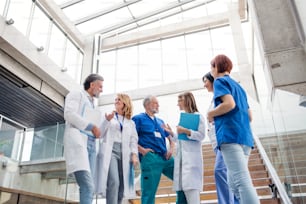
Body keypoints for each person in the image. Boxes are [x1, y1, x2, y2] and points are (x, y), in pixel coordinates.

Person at [207, 54, 259, 204]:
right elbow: (249, 116)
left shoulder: (219, 81)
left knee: (241, 181)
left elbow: (229, 104)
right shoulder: (239, 87)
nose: (211, 71)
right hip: (245, 138)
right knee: (233, 184)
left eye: (212, 67)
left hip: (230, 136)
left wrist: (211, 114)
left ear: (217, 67)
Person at [132, 95, 187, 204]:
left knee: (183, 180)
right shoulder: (138, 119)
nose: (158, 105)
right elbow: (130, 138)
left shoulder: (160, 121)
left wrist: (171, 149)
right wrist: (142, 150)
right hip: (150, 158)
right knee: (149, 192)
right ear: (147, 105)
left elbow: (171, 138)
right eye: (155, 103)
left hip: (166, 157)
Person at [63, 73, 104, 204]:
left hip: (91, 144)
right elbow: (69, 114)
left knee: (89, 187)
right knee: (88, 185)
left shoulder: (93, 104)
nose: (102, 90)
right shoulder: (76, 94)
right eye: (100, 86)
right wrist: (91, 126)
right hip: (78, 141)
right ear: (92, 85)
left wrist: (96, 132)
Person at [202, 72, 239, 204]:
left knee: (220, 171)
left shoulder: (222, 97)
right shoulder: (214, 99)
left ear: (213, 81)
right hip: (217, 144)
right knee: (230, 176)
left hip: (225, 141)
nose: (204, 85)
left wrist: (211, 116)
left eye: (205, 81)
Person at [95, 93, 139, 204]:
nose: (116, 101)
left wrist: (134, 154)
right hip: (111, 151)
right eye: (115, 99)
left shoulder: (131, 122)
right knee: (114, 181)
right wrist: (107, 120)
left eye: (119, 99)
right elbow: (99, 134)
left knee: (122, 184)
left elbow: (133, 140)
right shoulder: (109, 117)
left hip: (125, 154)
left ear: (125, 102)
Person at [163, 92, 205, 204]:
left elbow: (201, 135)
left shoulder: (198, 116)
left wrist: (185, 131)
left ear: (186, 100)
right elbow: (181, 140)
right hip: (182, 161)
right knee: (186, 193)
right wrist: (171, 132)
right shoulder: (184, 118)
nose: (177, 104)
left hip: (191, 163)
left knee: (193, 196)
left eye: (179, 101)